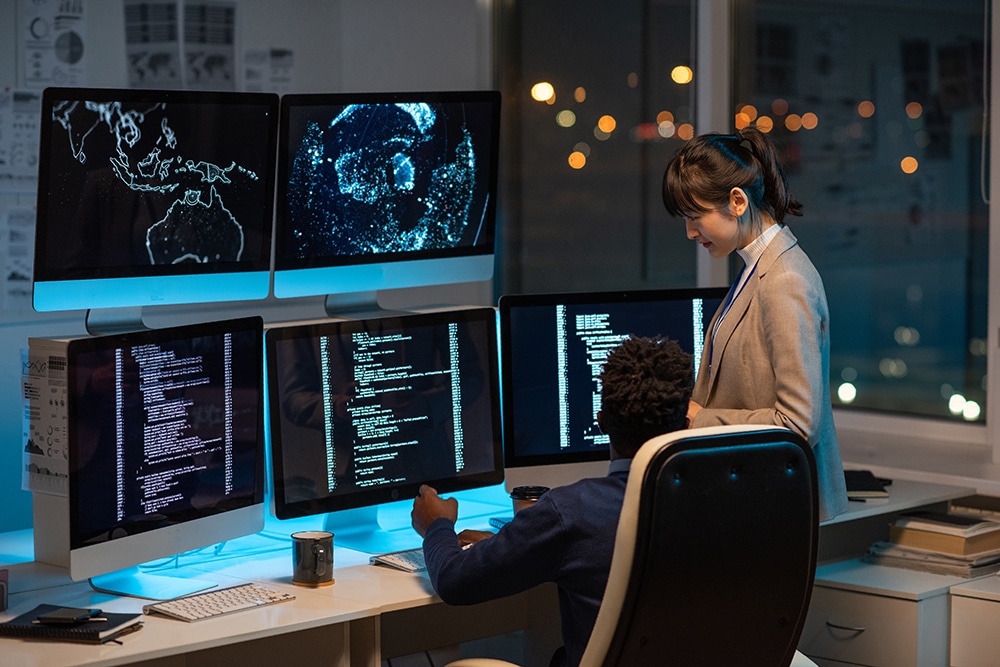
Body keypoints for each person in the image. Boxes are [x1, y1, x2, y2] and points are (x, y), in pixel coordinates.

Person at [410, 335, 694, 667]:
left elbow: (454, 581)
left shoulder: (571, 512)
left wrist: (437, 526)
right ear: (685, 427)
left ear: (601, 422)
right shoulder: (723, 505)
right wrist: (515, 542)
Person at [661, 125, 848, 522]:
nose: (690, 232)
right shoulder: (757, 267)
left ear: (737, 201)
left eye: (696, 216)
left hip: (777, 510)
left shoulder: (784, 281)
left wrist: (698, 418)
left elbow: (796, 424)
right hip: (757, 501)